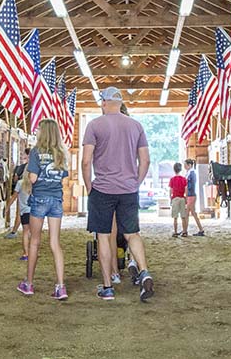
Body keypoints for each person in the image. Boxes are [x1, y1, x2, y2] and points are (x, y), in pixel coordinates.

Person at [82, 86, 154, 302]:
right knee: (132, 234)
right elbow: (146, 160)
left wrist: (88, 186)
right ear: (121, 103)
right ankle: (144, 271)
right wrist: (136, 182)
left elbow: (86, 161)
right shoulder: (136, 126)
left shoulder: (94, 125)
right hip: (128, 189)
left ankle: (107, 287)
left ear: (104, 103)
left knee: (103, 236)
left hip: (103, 188)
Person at [17, 119, 70, 300]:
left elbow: (32, 178)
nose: (37, 131)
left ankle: (29, 283)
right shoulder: (62, 153)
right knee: (55, 243)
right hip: (56, 199)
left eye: (39, 128)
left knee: (34, 242)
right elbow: (63, 178)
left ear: (44, 132)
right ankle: (61, 286)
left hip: (39, 198)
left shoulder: (36, 152)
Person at [5, 149, 30, 238]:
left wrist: (7, 207)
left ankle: (14, 231)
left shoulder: (23, 168)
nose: (23, 155)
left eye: (24, 154)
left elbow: (15, 180)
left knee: (19, 213)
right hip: (32, 207)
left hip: (23, 199)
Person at [11, 175, 32, 261]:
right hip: (35, 211)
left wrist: (7, 207)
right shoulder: (35, 183)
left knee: (26, 232)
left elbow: (13, 197)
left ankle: (26, 254)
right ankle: (33, 252)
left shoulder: (20, 183)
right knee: (34, 233)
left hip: (25, 211)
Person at [183, 158, 206, 236]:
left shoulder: (191, 173)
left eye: (185, 165)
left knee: (188, 213)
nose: (184, 166)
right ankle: (186, 230)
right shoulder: (190, 173)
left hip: (191, 195)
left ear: (189, 165)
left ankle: (185, 230)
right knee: (191, 213)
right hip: (191, 195)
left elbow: (190, 185)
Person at [168, 162, 188, 237]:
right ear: (180, 169)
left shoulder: (172, 179)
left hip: (175, 198)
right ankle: (185, 231)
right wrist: (186, 197)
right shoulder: (183, 179)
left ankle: (175, 232)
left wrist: (170, 198)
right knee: (183, 216)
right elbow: (186, 190)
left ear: (174, 170)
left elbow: (171, 190)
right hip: (182, 198)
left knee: (175, 217)